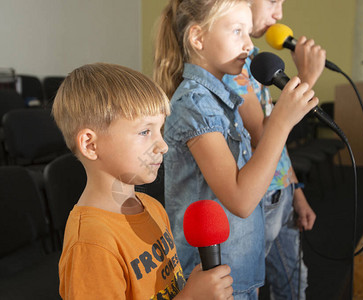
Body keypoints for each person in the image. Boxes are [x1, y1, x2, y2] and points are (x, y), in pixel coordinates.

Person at [153, 0, 319, 299]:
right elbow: (240, 199)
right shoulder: (195, 103)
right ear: (198, 38)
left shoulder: (220, 98)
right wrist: (279, 124)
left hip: (235, 268)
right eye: (237, 31)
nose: (247, 44)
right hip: (211, 278)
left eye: (247, 32)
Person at [54, 63, 234, 299]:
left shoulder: (152, 207)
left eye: (160, 129)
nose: (163, 145)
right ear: (90, 145)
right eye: (144, 132)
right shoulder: (92, 243)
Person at [222, 1, 325, 299]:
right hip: (261, 200)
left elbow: (277, 141)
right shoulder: (233, 64)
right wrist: (307, 77)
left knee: (294, 284)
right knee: (252, 287)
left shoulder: (255, 58)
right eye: (272, 1)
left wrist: (297, 192)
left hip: (281, 193)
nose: (279, 14)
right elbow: (263, 136)